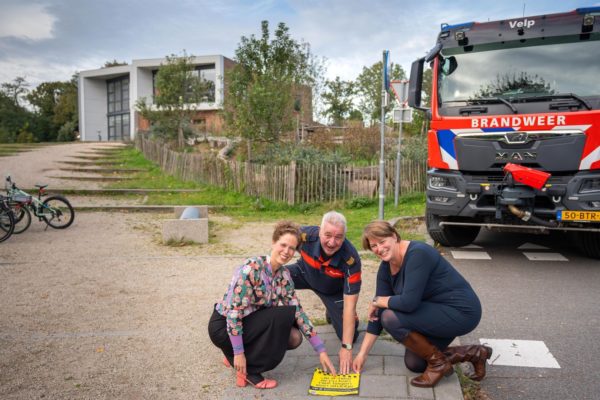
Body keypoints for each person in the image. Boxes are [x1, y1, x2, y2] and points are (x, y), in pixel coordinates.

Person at [352, 220, 492, 388]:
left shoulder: (418, 253)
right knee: (415, 364)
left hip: (461, 312)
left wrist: (378, 301)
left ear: (394, 236)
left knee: (389, 316)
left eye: (382, 242)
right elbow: (376, 317)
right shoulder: (386, 268)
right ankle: (475, 353)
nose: (379, 249)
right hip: (434, 312)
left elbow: (408, 303)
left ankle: (439, 365)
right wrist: (362, 354)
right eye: (373, 246)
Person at [208, 221, 336, 390]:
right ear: (273, 242)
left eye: (292, 248)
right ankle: (250, 371)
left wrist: (321, 351)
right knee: (282, 315)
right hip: (223, 326)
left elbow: (298, 312)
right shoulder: (250, 269)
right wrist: (239, 353)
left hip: (248, 324)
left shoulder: (284, 275)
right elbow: (233, 313)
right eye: (283, 245)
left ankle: (231, 352)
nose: (286, 251)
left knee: (294, 336)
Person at [287, 211, 361, 374]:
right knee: (273, 277)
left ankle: (334, 312)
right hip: (304, 273)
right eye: (327, 235)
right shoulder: (305, 235)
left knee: (350, 336)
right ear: (319, 230)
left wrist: (346, 348)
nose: (332, 242)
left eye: (338, 237)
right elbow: (282, 242)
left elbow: (350, 304)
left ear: (344, 237)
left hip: (332, 291)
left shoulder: (351, 259)